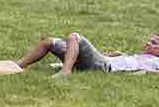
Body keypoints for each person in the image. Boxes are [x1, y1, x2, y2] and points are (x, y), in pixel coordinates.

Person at [14, 30, 159, 75]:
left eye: (153, 43)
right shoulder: (142, 56)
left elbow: (143, 70)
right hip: (102, 61)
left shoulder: (155, 62)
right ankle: (17, 65)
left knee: (74, 37)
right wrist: (116, 54)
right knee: (50, 41)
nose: (147, 43)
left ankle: (66, 71)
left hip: (105, 66)